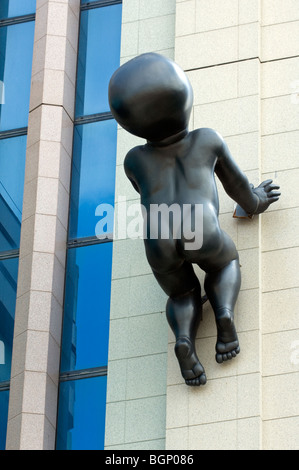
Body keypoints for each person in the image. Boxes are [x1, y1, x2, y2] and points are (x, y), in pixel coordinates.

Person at [108, 53, 281, 386]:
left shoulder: (134, 161)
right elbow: (239, 189)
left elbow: (144, 192)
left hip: (158, 237)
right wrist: (256, 202)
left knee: (181, 293)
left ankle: (185, 339)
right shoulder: (207, 140)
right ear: (184, 96)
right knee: (224, 263)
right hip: (200, 226)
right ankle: (225, 314)